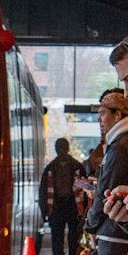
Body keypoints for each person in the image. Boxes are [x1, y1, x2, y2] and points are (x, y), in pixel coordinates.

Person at [84, 92, 128, 255]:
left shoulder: (119, 146)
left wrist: (91, 225)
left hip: (114, 232)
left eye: (102, 113)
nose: (99, 120)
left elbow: (106, 187)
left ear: (117, 116)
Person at [39, 138, 86, 255]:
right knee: (74, 238)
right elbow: (85, 189)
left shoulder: (50, 168)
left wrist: (44, 210)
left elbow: (43, 192)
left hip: (55, 207)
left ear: (56, 149)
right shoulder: (77, 166)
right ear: (68, 148)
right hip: (74, 206)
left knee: (57, 239)